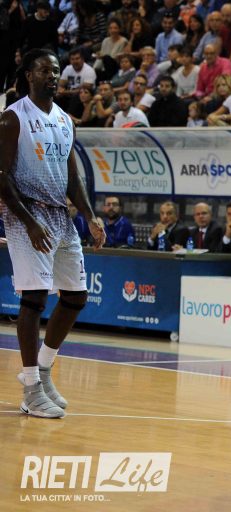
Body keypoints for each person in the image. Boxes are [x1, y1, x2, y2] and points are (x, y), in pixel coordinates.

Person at [0, 48, 106, 418]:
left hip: (61, 216)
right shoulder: (12, 118)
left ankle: (43, 370)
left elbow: (72, 176)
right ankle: (31, 389)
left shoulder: (64, 119)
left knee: (76, 296)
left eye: (56, 70)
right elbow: (2, 178)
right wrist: (28, 222)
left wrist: (90, 216)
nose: (53, 76)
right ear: (28, 74)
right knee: (33, 299)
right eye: (45, 70)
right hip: (27, 215)